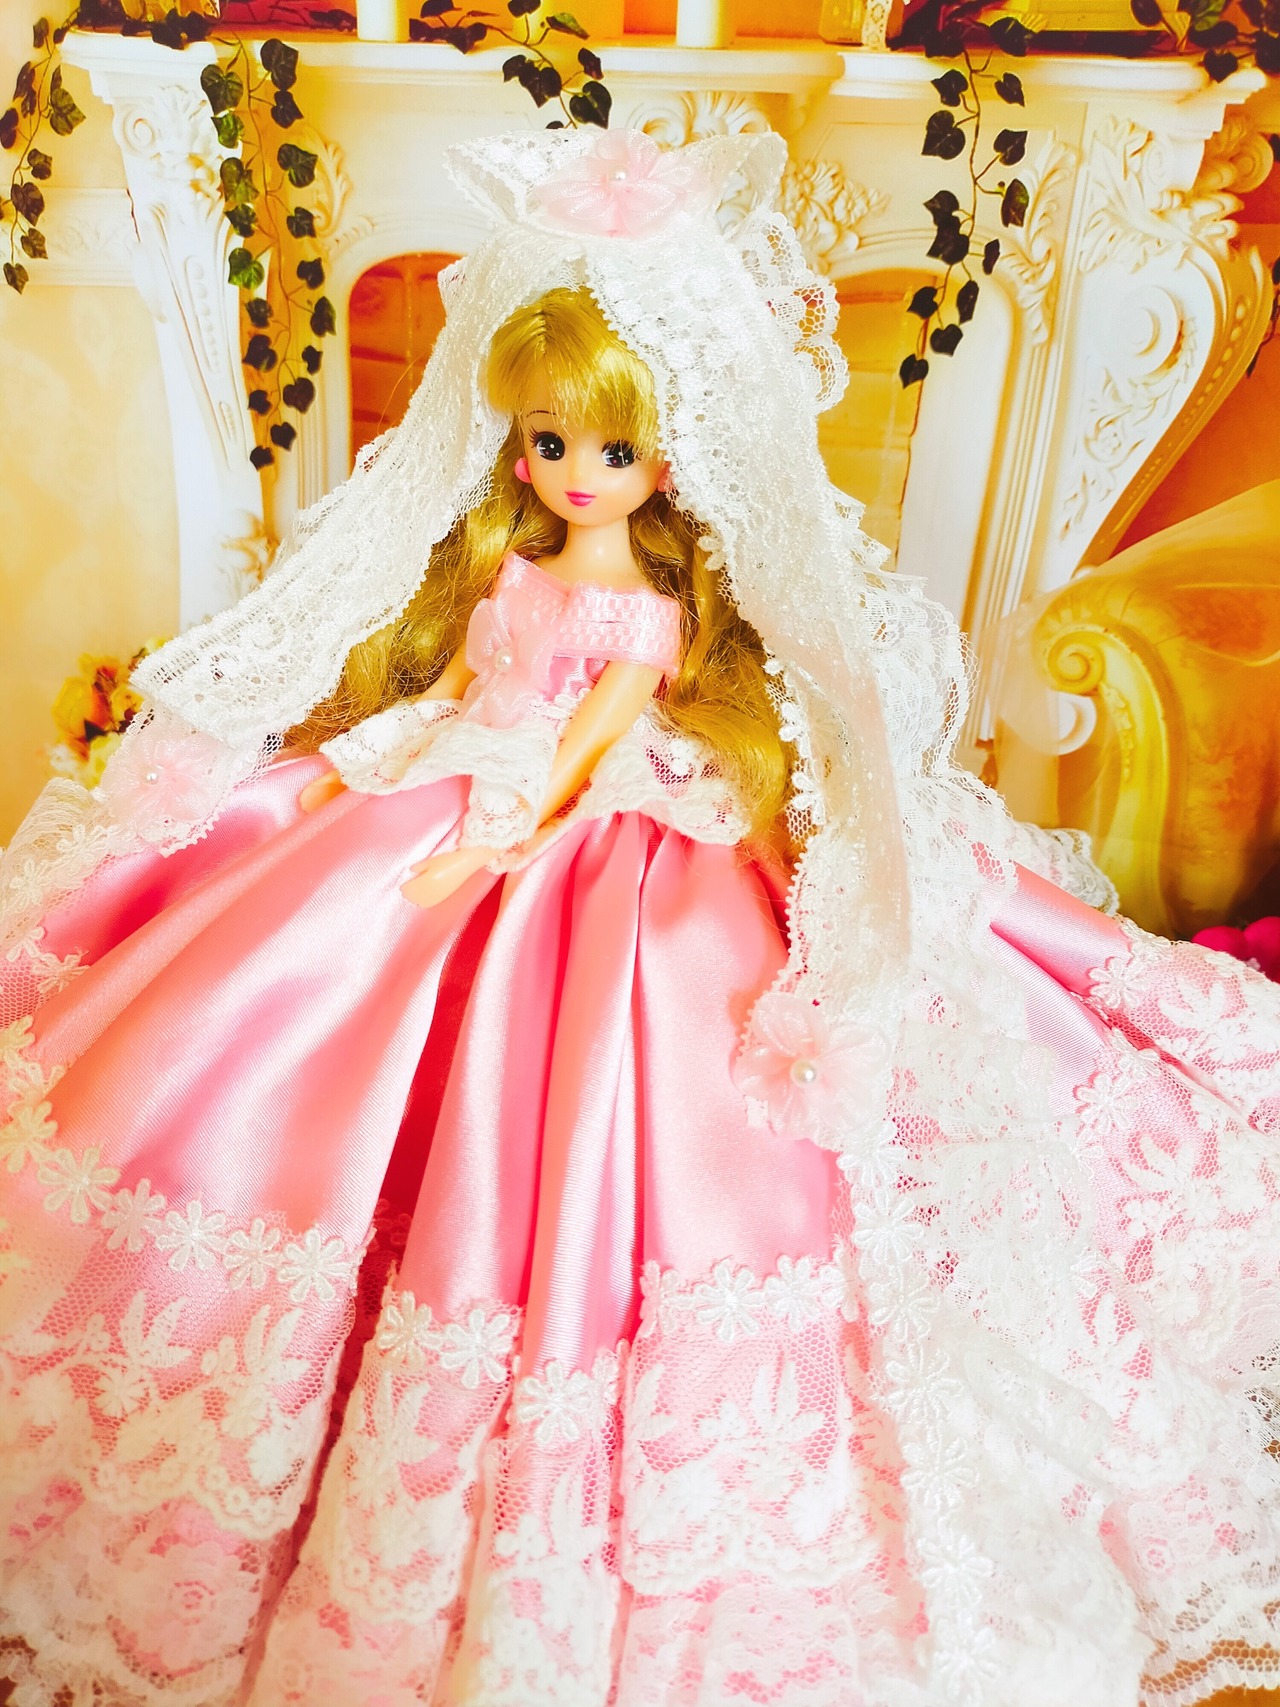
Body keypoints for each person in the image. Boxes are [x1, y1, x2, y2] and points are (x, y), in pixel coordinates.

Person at [1, 126, 1279, 1707]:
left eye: (605, 450)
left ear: (668, 460)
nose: (571, 473)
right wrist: (419, 757)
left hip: (584, 809)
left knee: (622, 1018)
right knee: (298, 943)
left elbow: (595, 729)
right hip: (466, 763)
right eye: (547, 442)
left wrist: (509, 822)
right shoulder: (511, 570)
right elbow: (481, 683)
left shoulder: (645, 607)